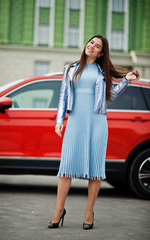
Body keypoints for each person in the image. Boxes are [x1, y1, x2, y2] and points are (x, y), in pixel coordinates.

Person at [48, 35, 140, 230]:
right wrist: (59, 121)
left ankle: (89, 213)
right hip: (74, 122)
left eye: (96, 46)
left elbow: (110, 96)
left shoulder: (102, 72)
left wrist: (126, 81)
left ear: (101, 53)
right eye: (90, 43)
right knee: (65, 168)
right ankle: (58, 211)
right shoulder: (70, 69)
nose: (91, 46)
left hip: (97, 123)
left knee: (95, 170)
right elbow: (63, 96)